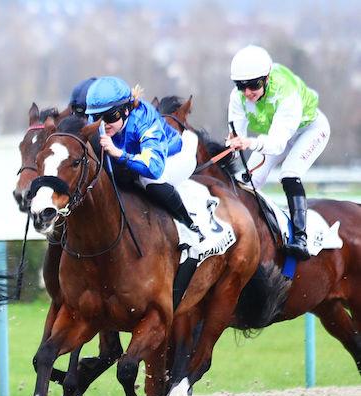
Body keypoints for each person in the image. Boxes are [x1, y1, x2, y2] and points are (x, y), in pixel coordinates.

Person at [225, 45, 329, 261]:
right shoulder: (239, 97)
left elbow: (277, 144)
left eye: (253, 85)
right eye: (240, 86)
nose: (247, 93)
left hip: (309, 130)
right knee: (243, 180)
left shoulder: (286, 93)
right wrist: (231, 148)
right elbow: (236, 136)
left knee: (289, 174)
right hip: (273, 135)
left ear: (267, 77)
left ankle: (300, 238)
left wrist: (249, 143)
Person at [85, 76, 204, 241]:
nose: (103, 123)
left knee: (148, 180)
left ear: (126, 110)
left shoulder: (145, 120)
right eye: (97, 117)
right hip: (138, 155)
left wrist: (118, 153)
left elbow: (154, 168)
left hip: (172, 156)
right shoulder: (100, 122)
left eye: (110, 116)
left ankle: (189, 227)